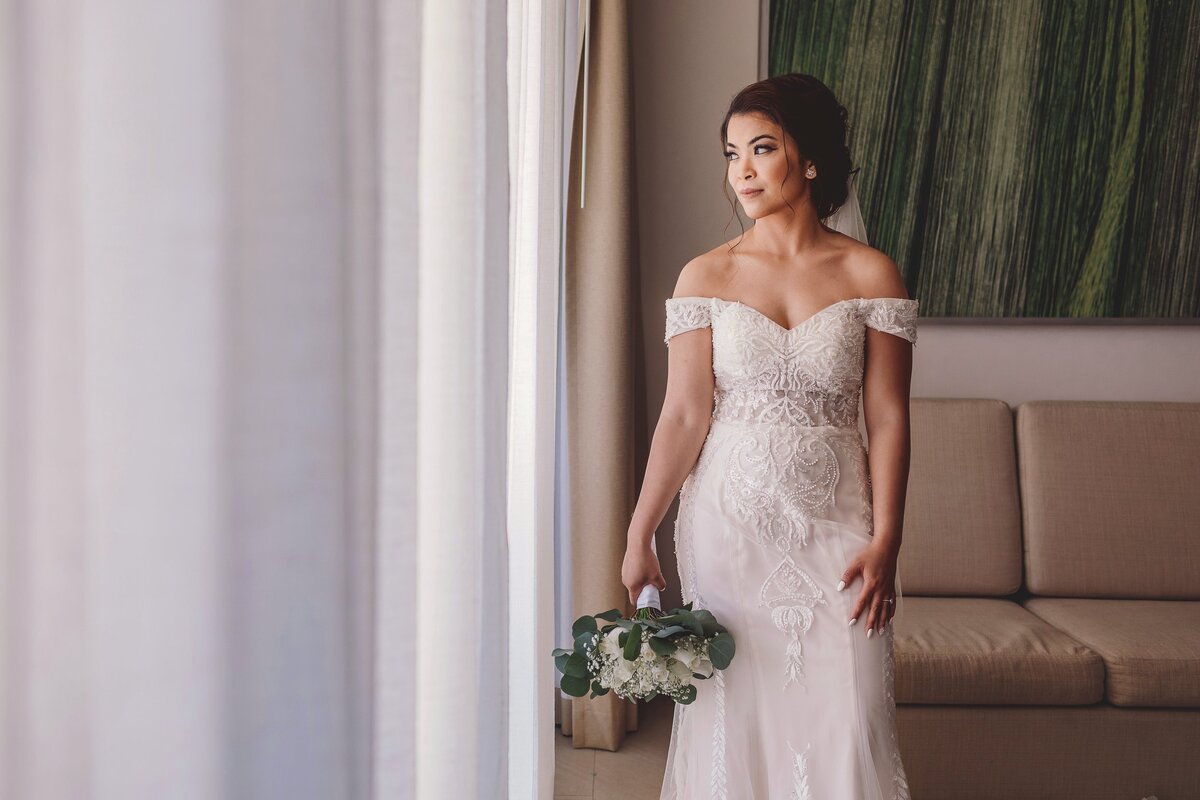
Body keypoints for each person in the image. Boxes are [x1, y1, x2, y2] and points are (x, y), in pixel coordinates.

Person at [621, 73, 916, 799]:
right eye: (731, 153)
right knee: (735, 717)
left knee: (849, 714)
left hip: (839, 527)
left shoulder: (870, 273)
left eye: (761, 149)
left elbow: (888, 415)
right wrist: (641, 533)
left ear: (809, 161)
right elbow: (685, 415)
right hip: (727, 529)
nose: (741, 170)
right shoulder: (705, 275)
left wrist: (887, 540)